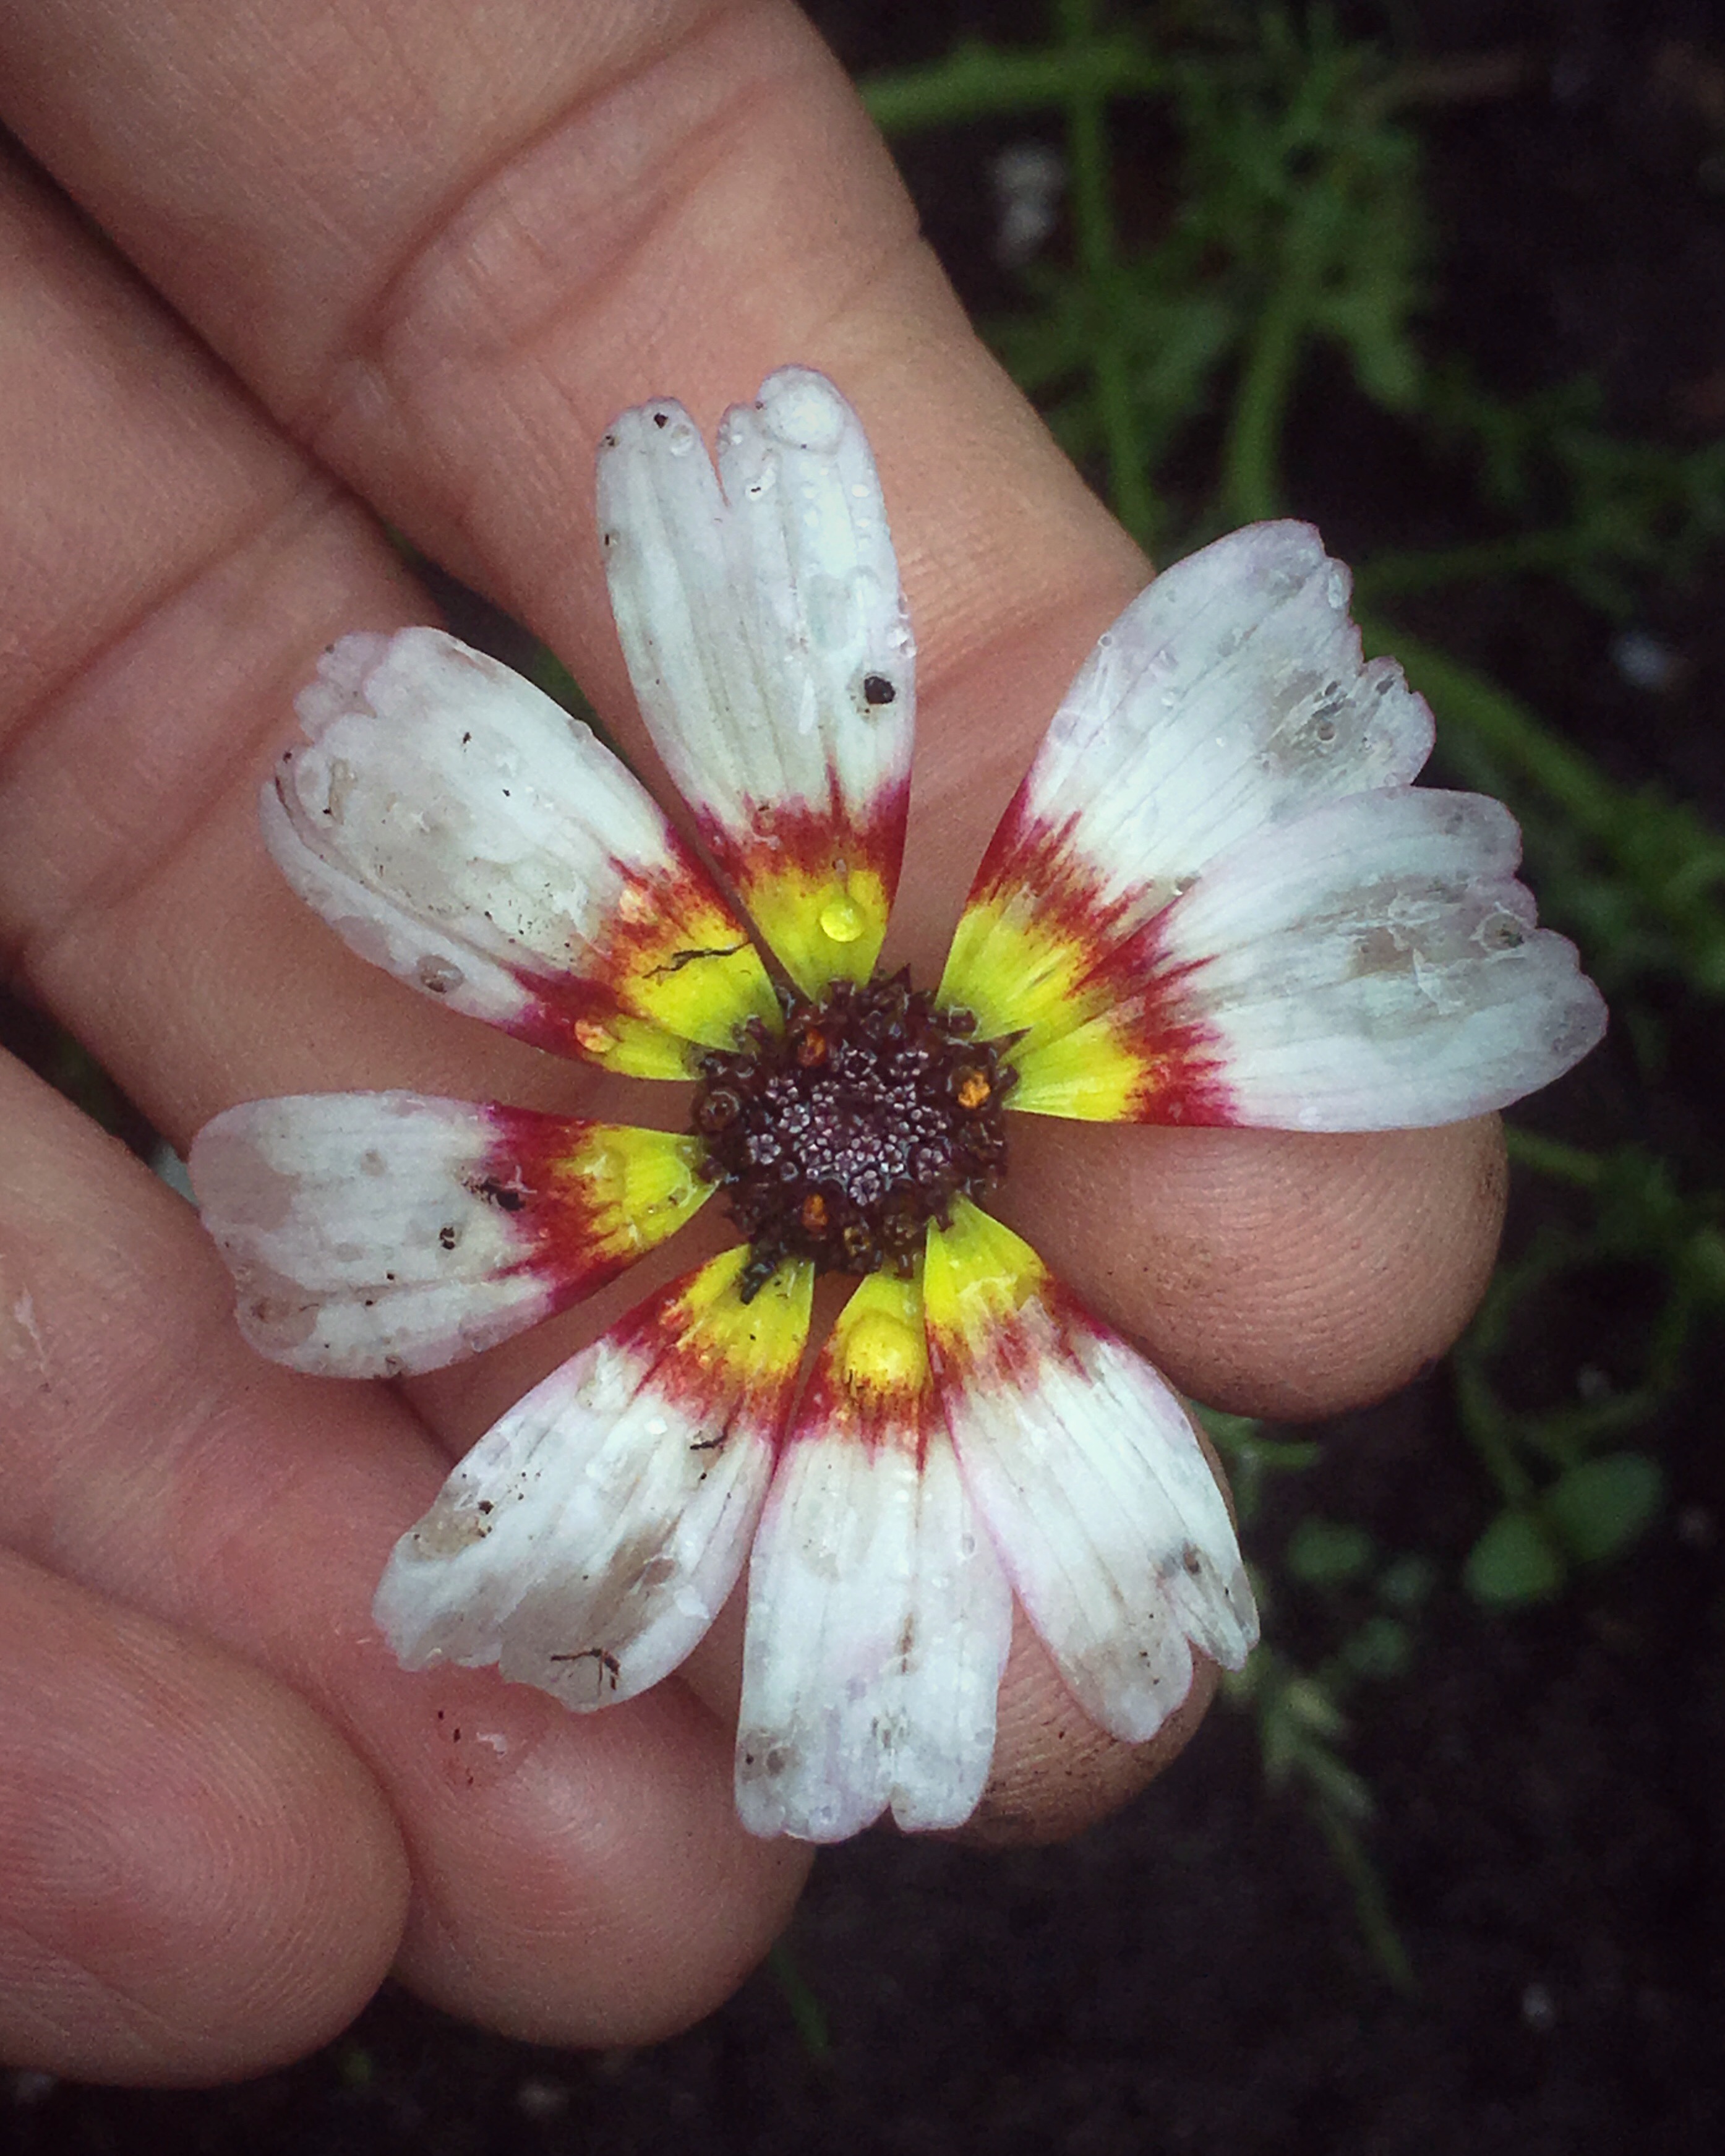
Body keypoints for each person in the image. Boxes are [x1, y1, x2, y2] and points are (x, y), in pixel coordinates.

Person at [0, 0, 1509, 2084]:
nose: (876, 1125)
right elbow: (349, 1208)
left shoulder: (928, 1097)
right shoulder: (715, 1066)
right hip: (758, 1090)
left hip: (836, 1120)